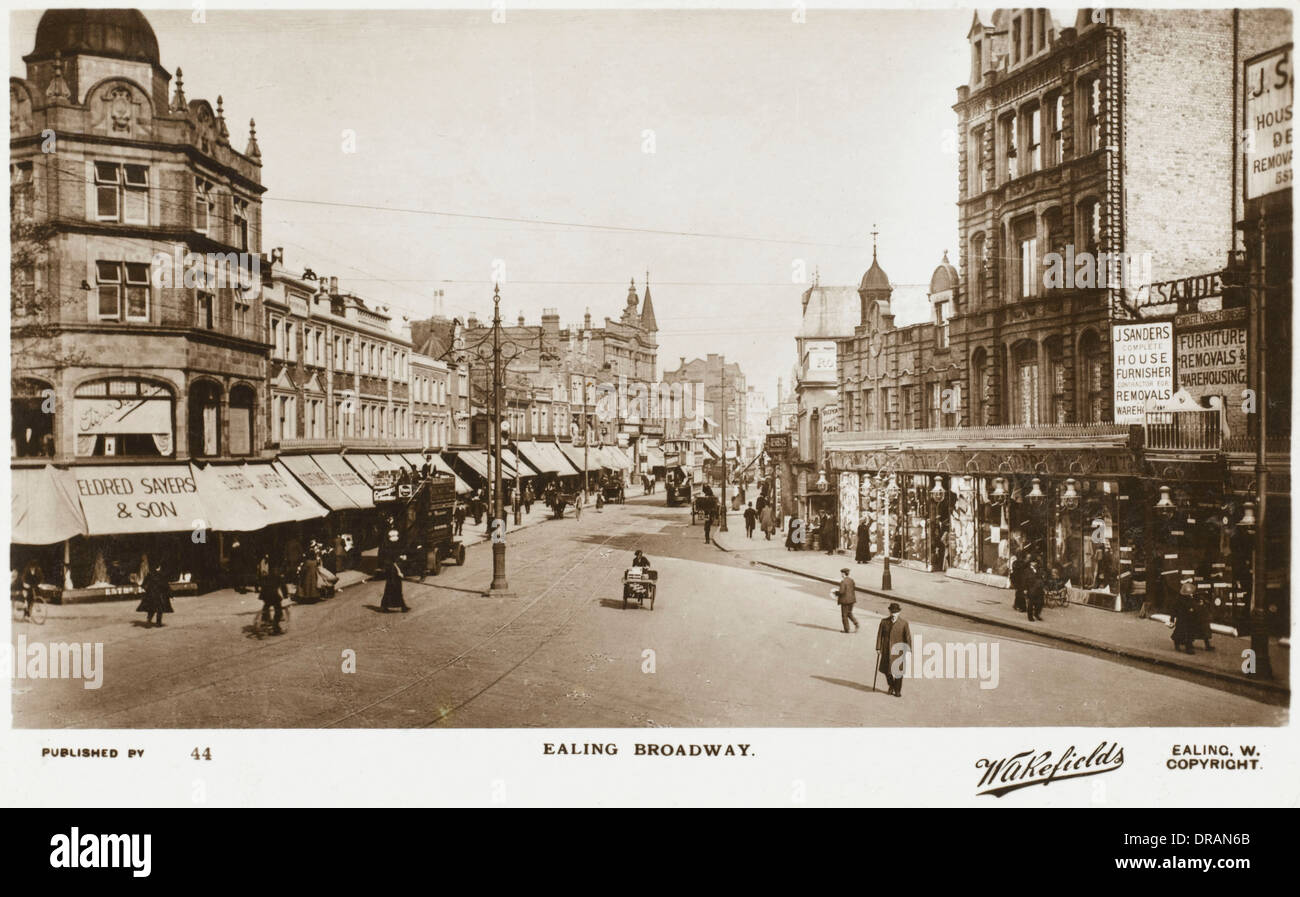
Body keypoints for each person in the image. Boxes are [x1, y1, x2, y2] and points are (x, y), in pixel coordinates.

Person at [876, 602, 913, 697]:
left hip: (899, 650)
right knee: (886, 670)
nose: (893, 614)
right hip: (886, 649)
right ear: (889, 611)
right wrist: (878, 647)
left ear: (899, 612)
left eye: (896, 612)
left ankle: (897, 690)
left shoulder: (904, 623)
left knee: (898, 672)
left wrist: (908, 650)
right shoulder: (884, 622)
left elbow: (908, 637)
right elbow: (880, 635)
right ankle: (891, 685)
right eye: (892, 612)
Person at [256, 562, 287, 634]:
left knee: (266, 606)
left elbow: (261, 583)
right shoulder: (279, 576)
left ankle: (265, 619)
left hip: (265, 595)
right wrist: (285, 595)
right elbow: (283, 586)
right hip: (273, 595)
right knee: (278, 610)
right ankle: (276, 628)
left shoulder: (267, 575)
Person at [836, 567, 859, 634]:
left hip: (845, 601)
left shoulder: (843, 582)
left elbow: (841, 592)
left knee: (844, 615)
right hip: (851, 600)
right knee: (849, 613)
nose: (841, 574)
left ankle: (846, 629)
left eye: (841, 573)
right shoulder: (851, 580)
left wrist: (836, 593)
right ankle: (856, 623)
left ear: (843, 574)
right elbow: (854, 588)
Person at [1025, 557, 1045, 622]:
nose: (1034, 563)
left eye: (1035, 562)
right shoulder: (1027, 570)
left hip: (1039, 588)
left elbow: (1042, 577)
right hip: (1031, 588)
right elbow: (1024, 580)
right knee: (1031, 603)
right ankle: (1030, 616)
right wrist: (1025, 589)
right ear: (1030, 563)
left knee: (1040, 603)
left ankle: (1036, 614)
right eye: (1033, 562)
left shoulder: (1038, 569)